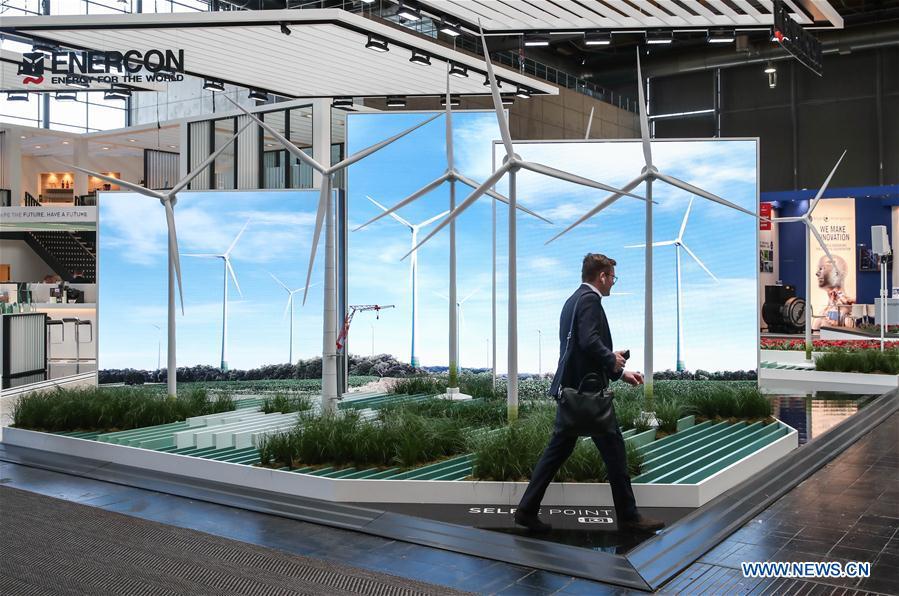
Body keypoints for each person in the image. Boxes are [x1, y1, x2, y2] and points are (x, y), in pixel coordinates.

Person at [514, 253, 665, 534]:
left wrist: (619, 369)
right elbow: (589, 340)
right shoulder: (590, 300)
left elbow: (581, 347)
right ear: (602, 276)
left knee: (556, 453)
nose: (613, 284)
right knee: (616, 454)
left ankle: (526, 510)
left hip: (572, 392)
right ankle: (629, 516)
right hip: (590, 395)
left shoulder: (572, 300)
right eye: (612, 278)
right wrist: (611, 361)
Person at [812, 254, 855, 329]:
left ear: (837, 273)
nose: (817, 274)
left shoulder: (846, 310)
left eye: (822, 268)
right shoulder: (823, 312)